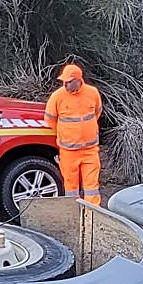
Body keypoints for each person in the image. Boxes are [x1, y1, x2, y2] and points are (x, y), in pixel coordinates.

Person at [44, 63, 103, 206]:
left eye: (69, 81)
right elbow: (50, 120)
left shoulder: (92, 92)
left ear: (78, 80)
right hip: (68, 152)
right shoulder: (57, 97)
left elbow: (97, 112)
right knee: (71, 188)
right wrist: (67, 135)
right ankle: (74, 215)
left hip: (90, 150)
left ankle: (92, 216)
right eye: (64, 81)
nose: (65, 84)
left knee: (92, 188)